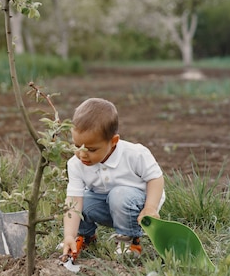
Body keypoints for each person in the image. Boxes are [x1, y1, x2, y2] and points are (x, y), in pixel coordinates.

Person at [61, 98, 165, 261]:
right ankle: (84, 236)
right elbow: (74, 200)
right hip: (108, 206)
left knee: (119, 194)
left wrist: (150, 207)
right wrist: (68, 234)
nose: (82, 154)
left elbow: (155, 178)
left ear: (113, 142)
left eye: (91, 149)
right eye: (77, 146)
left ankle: (129, 240)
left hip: (137, 207)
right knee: (84, 200)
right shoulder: (75, 164)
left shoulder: (135, 154)